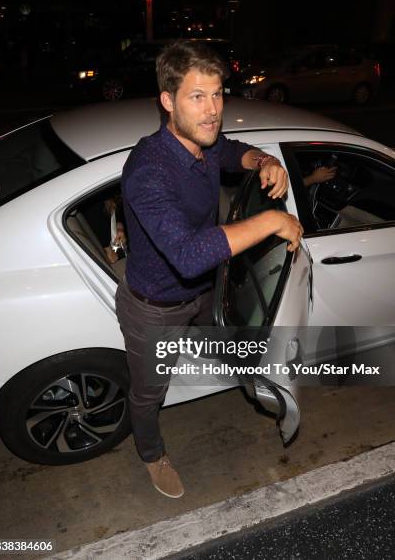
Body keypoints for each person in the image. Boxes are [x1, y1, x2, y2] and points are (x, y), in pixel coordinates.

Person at [115, 40, 303, 498]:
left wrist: (264, 160)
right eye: (198, 97)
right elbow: (187, 254)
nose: (213, 110)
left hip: (204, 291)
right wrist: (271, 219)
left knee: (233, 342)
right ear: (167, 101)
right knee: (148, 395)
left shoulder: (202, 141)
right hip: (155, 307)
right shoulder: (149, 170)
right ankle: (152, 455)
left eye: (218, 94)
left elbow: (232, 151)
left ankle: (248, 381)